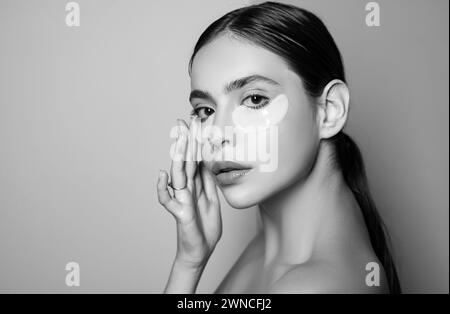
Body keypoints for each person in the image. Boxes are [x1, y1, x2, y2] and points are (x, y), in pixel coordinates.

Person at [157, 1, 401, 294]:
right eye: (206, 110)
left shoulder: (319, 287)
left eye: (255, 99)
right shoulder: (267, 251)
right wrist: (189, 261)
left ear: (330, 110)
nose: (216, 135)